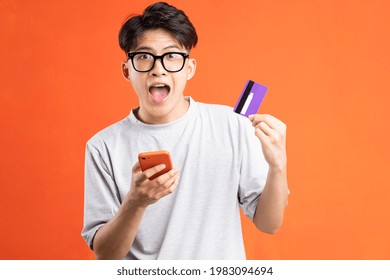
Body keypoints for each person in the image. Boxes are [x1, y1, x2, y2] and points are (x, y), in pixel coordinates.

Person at [82, 1, 290, 260]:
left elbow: (269, 224)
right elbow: (105, 255)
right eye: (144, 56)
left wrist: (278, 166)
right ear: (127, 70)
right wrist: (136, 202)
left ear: (189, 68)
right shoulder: (102, 147)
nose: (158, 69)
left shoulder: (232, 124)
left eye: (171, 56)